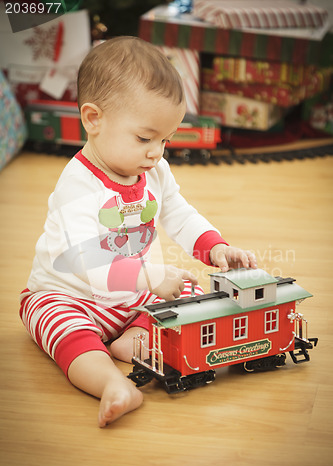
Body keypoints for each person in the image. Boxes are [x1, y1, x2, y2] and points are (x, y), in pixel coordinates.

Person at [19, 37, 257, 427]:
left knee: (193, 291)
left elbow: (178, 212)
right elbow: (86, 260)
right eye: (145, 138)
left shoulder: (153, 171)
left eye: (166, 139)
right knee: (67, 330)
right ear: (93, 120)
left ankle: (134, 337)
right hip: (70, 294)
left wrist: (214, 247)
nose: (157, 152)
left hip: (134, 294)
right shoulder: (78, 186)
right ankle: (112, 383)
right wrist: (151, 277)